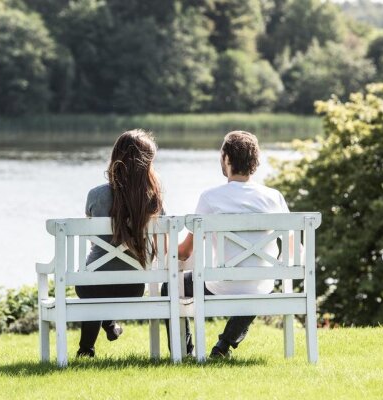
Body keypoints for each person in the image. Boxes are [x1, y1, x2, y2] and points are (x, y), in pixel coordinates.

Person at [162, 130, 291, 358]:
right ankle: (222, 347)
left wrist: (165, 252)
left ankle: (185, 351)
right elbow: (293, 249)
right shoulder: (274, 197)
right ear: (255, 161)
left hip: (220, 286)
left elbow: (185, 251)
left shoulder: (210, 197)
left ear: (227, 159)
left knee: (170, 286)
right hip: (262, 287)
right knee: (254, 286)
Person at [76, 129, 163, 357]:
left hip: (90, 286)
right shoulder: (153, 198)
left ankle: (86, 349)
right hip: (132, 286)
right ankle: (109, 325)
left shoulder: (96, 195)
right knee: (102, 288)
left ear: (116, 158)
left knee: (95, 289)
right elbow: (161, 244)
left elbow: (94, 237)